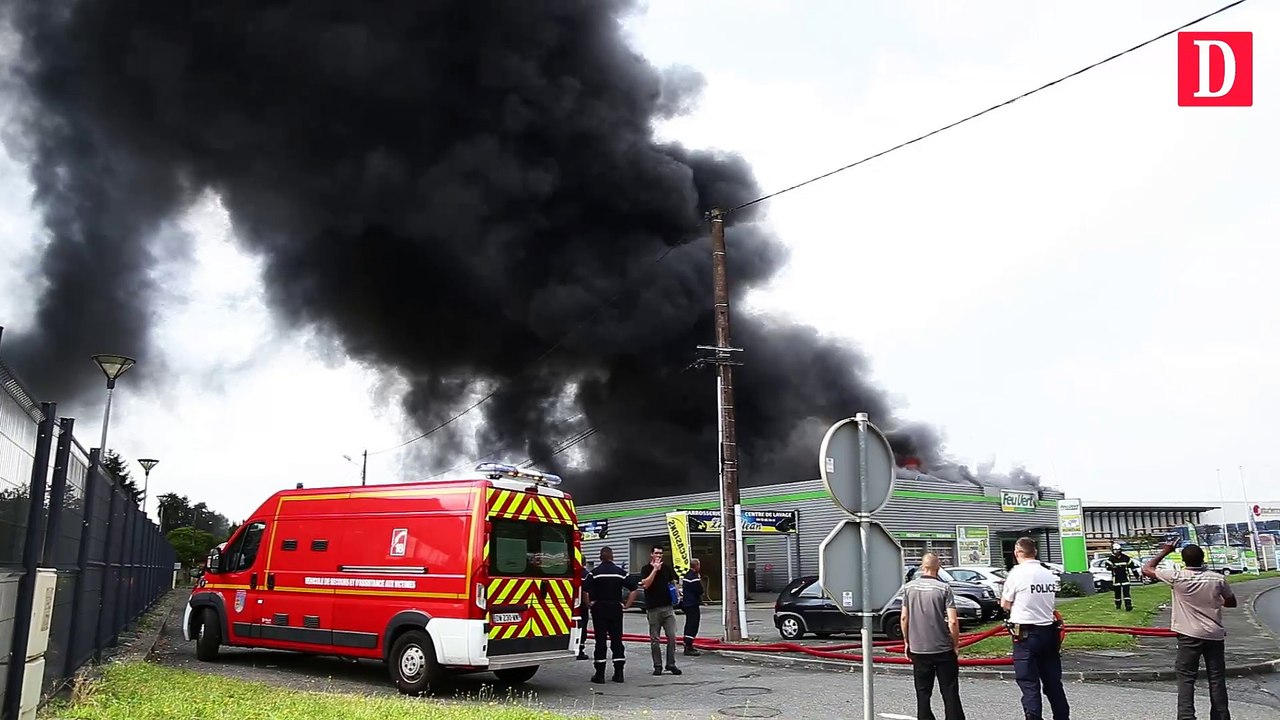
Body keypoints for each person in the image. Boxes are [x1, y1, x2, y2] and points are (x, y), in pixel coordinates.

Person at [1142, 541, 1237, 720]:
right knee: (1216, 678)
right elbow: (1231, 602)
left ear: (1183, 560)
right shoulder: (1217, 578)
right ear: (1203, 559)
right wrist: (1216, 602)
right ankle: (1221, 716)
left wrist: (1166, 551)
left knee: (1186, 677)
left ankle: (1186, 716)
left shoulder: (1177, 576)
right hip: (1214, 635)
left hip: (1188, 634)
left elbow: (1147, 569)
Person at [1000, 536, 1070, 720]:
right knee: (1053, 683)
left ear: (1016, 553)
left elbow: (1005, 604)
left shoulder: (1016, 573)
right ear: (1035, 552)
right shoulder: (1047, 573)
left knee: (1029, 683)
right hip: (1049, 632)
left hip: (1025, 635)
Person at [901, 552, 966, 720]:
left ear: (923, 567)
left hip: (919, 648)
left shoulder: (909, 588)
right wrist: (955, 643)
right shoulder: (944, 588)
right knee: (949, 690)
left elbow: (904, 617)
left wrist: (907, 641)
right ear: (938, 567)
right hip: (942, 647)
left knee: (923, 692)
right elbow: (952, 621)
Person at [583, 547, 636, 683]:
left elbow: (585, 590)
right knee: (616, 640)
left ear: (600, 557)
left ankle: (599, 675)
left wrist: (589, 604)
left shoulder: (594, 573)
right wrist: (627, 605)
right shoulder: (620, 573)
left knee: (600, 641)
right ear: (612, 557)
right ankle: (619, 673)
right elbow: (634, 589)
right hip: (615, 608)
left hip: (599, 608)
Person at [630, 545, 682, 676]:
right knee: (655, 639)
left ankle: (671, 664)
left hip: (667, 607)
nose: (659, 556)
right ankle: (657, 665)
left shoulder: (666, 568)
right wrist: (654, 570)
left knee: (672, 636)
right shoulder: (646, 569)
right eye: (657, 553)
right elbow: (646, 584)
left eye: (661, 554)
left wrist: (676, 594)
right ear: (651, 554)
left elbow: (672, 581)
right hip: (653, 609)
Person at [1104, 543, 1139, 612]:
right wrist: (1112, 567)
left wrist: (1136, 575)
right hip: (1116, 579)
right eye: (1115, 550)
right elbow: (1107, 567)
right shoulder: (1111, 559)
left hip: (1125, 578)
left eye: (1117, 550)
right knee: (1117, 593)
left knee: (1126, 593)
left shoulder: (1126, 558)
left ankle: (1128, 605)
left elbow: (1133, 567)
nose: (1116, 552)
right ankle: (1118, 605)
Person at [680, 558, 704, 656]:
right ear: (696, 566)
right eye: (699, 565)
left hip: (686, 603)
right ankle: (688, 646)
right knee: (693, 624)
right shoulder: (694, 577)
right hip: (693, 604)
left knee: (689, 623)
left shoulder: (686, 576)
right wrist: (699, 580)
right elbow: (699, 590)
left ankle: (687, 643)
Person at [577, 564, 591, 660]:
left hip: (572, 604)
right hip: (583, 605)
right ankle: (580, 649)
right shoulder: (586, 575)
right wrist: (589, 603)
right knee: (582, 627)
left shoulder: (574, 574)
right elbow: (589, 590)